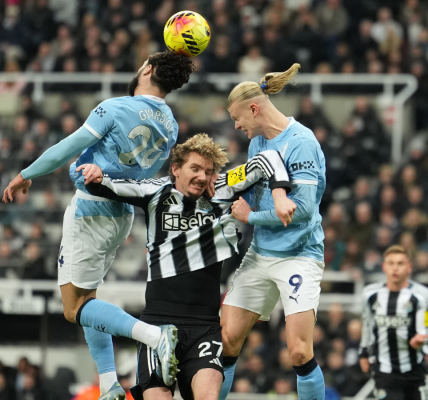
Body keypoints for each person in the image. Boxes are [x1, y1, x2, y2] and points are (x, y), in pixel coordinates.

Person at [2, 51, 195, 400]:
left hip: (92, 209)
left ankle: (155, 336)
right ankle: (109, 384)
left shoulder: (115, 107)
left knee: (73, 308)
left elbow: (68, 147)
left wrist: (26, 173)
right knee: (90, 300)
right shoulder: (170, 123)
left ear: (148, 69)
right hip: (122, 213)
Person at [78, 133, 292, 400]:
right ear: (176, 169)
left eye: (208, 171)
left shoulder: (224, 186)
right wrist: (97, 175)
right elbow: (108, 185)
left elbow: (268, 159)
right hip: (157, 325)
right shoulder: (155, 191)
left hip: (205, 327)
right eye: (195, 168)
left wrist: (279, 195)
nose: (202, 177)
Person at [219, 63, 326, 400]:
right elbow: (251, 187)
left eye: (237, 118)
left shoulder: (301, 142)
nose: (236, 126)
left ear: (254, 109)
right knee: (226, 339)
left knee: (299, 352)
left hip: (299, 255)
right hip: (260, 253)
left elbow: (303, 209)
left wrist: (251, 217)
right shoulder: (258, 142)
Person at [359, 245, 428, 400]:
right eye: (391, 263)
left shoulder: (422, 295)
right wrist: (363, 354)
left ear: (409, 267)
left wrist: (423, 343)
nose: (395, 268)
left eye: (400, 263)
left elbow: (426, 327)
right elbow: (367, 326)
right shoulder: (370, 295)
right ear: (384, 267)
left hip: (415, 368)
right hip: (383, 369)